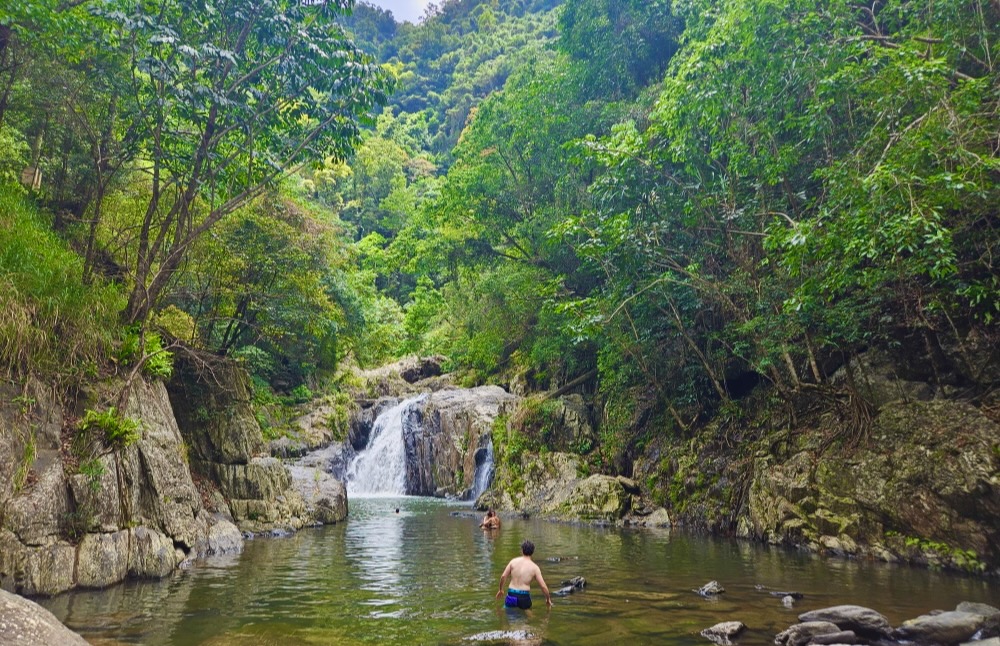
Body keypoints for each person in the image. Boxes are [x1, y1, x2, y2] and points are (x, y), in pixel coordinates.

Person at [495, 540, 552, 610]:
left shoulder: (513, 562)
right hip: (524, 596)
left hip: (511, 594)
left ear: (522, 550)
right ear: (532, 552)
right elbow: (543, 586)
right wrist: (548, 599)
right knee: (526, 615)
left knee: (509, 614)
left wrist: (501, 590)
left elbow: (503, 576)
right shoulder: (535, 568)